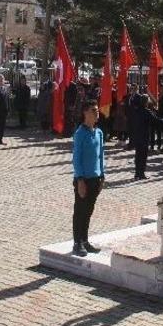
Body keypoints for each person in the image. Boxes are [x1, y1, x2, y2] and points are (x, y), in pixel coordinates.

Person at [71, 101, 105, 257]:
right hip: (83, 179)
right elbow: (76, 158)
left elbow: (101, 155)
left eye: (97, 110)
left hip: (95, 178)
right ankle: (77, 242)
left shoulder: (99, 133)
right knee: (80, 211)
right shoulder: (80, 133)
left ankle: (84, 240)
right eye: (93, 110)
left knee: (88, 211)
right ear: (85, 113)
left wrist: (102, 175)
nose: (97, 113)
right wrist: (80, 180)